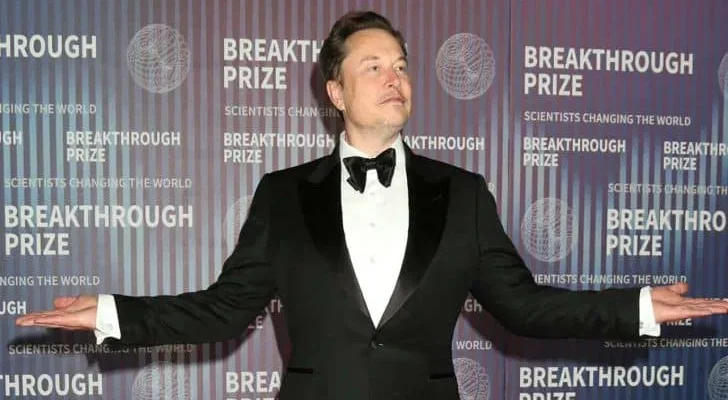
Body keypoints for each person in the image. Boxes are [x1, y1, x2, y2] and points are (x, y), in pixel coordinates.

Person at [16, 10, 728, 400]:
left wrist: (637, 306)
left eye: (402, 66)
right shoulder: (283, 196)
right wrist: (111, 314)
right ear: (336, 92)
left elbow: (526, 307)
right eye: (374, 66)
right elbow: (222, 311)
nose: (396, 78)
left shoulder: (465, 194)